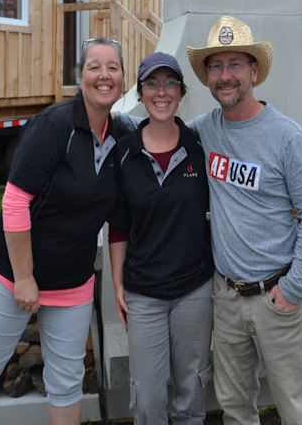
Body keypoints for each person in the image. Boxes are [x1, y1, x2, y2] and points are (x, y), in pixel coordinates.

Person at [0, 38, 129, 425]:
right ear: (79, 76)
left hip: (73, 281)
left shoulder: (121, 135)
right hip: (12, 276)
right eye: (94, 66)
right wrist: (25, 277)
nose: (104, 75)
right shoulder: (55, 125)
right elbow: (14, 201)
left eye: (113, 67)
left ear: (123, 78)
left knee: (67, 382)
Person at [185, 16, 302, 425]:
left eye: (235, 64)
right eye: (216, 66)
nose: (225, 76)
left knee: (296, 413)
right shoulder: (203, 131)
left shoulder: (286, 136)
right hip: (227, 298)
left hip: (278, 299)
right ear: (207, 77)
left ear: (253, 70)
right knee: (235, 410)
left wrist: (294, 288)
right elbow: (160, 132)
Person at [109, 52, 213, 425]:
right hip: (144, 292)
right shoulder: (125, 152)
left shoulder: (199, 146)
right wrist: (118, 285)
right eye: (152, 84)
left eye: (170, 83)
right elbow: (118, 225)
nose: (162, 92)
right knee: (148, 399)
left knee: (191, 391)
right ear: (140, 93)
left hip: (193, 290)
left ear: (181, 92)